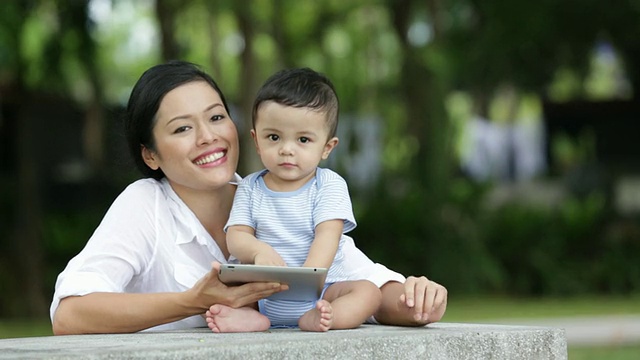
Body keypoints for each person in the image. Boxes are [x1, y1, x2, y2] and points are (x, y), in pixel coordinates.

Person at [50, 60, 447, 335]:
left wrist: (419, 300)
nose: (208, 136)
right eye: (182, 128)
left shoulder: (281, 193)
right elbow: (70, 315)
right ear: (150, 154)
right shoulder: (145, 205)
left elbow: (363, 283)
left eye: (217, 116)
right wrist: (191, 302)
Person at [206, 68, 381, 332]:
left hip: (321, 291)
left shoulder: (328, 185)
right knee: (225, 286)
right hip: (261, 290)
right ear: (256, 140)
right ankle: (255, 318)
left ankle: (325, 317)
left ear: (327, 147)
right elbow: (236, 235)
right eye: (274, 137)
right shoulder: (250, 187)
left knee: (369, 292)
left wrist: (308, 280)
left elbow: (327, 237)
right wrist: (258, 251)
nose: (287, 149)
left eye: (303, 139)